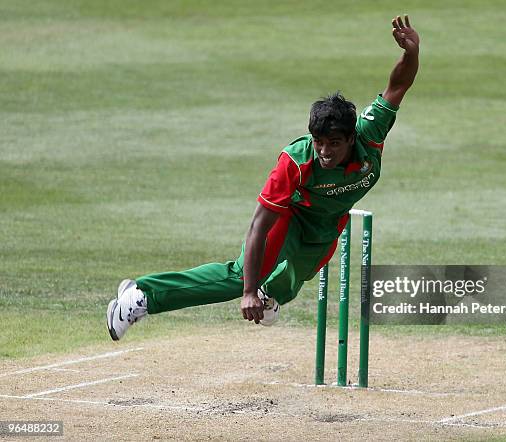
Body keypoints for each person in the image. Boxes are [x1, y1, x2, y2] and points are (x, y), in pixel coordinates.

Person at [106, 15, 420, 340]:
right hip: (292, 217)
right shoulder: (296, 162)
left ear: (351, 139)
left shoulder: (369, 135)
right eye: (319, 143)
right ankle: (141, 296)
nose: (325, 151)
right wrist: (248, 291)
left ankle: (269, 294)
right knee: (242, 277)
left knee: (292, 282)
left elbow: (398, 85)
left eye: (334, 144)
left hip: (327, 223)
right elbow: (259, 225)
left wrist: (412, 53)